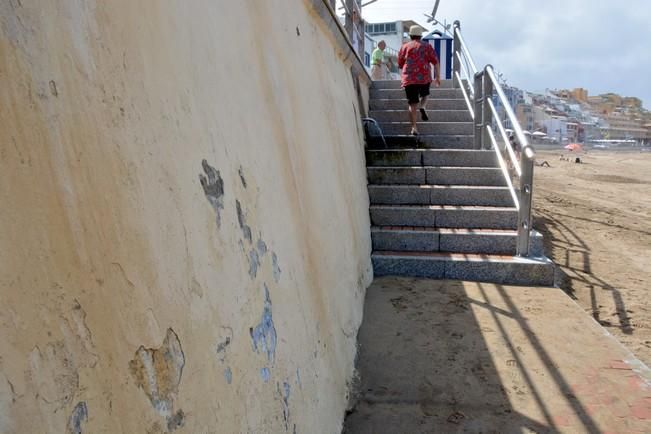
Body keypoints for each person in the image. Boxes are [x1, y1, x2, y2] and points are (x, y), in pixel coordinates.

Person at [397, 25, 441, 135]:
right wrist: (438, 77)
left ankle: (414, 128)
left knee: (412, 104)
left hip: (409, 78)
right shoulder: (427, 46)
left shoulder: (405, 46)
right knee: (425, 95)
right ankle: (423, 105)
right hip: (424, 76)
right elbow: (435, 62)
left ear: (411, 35)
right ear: (420, 36)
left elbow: (400, 64)